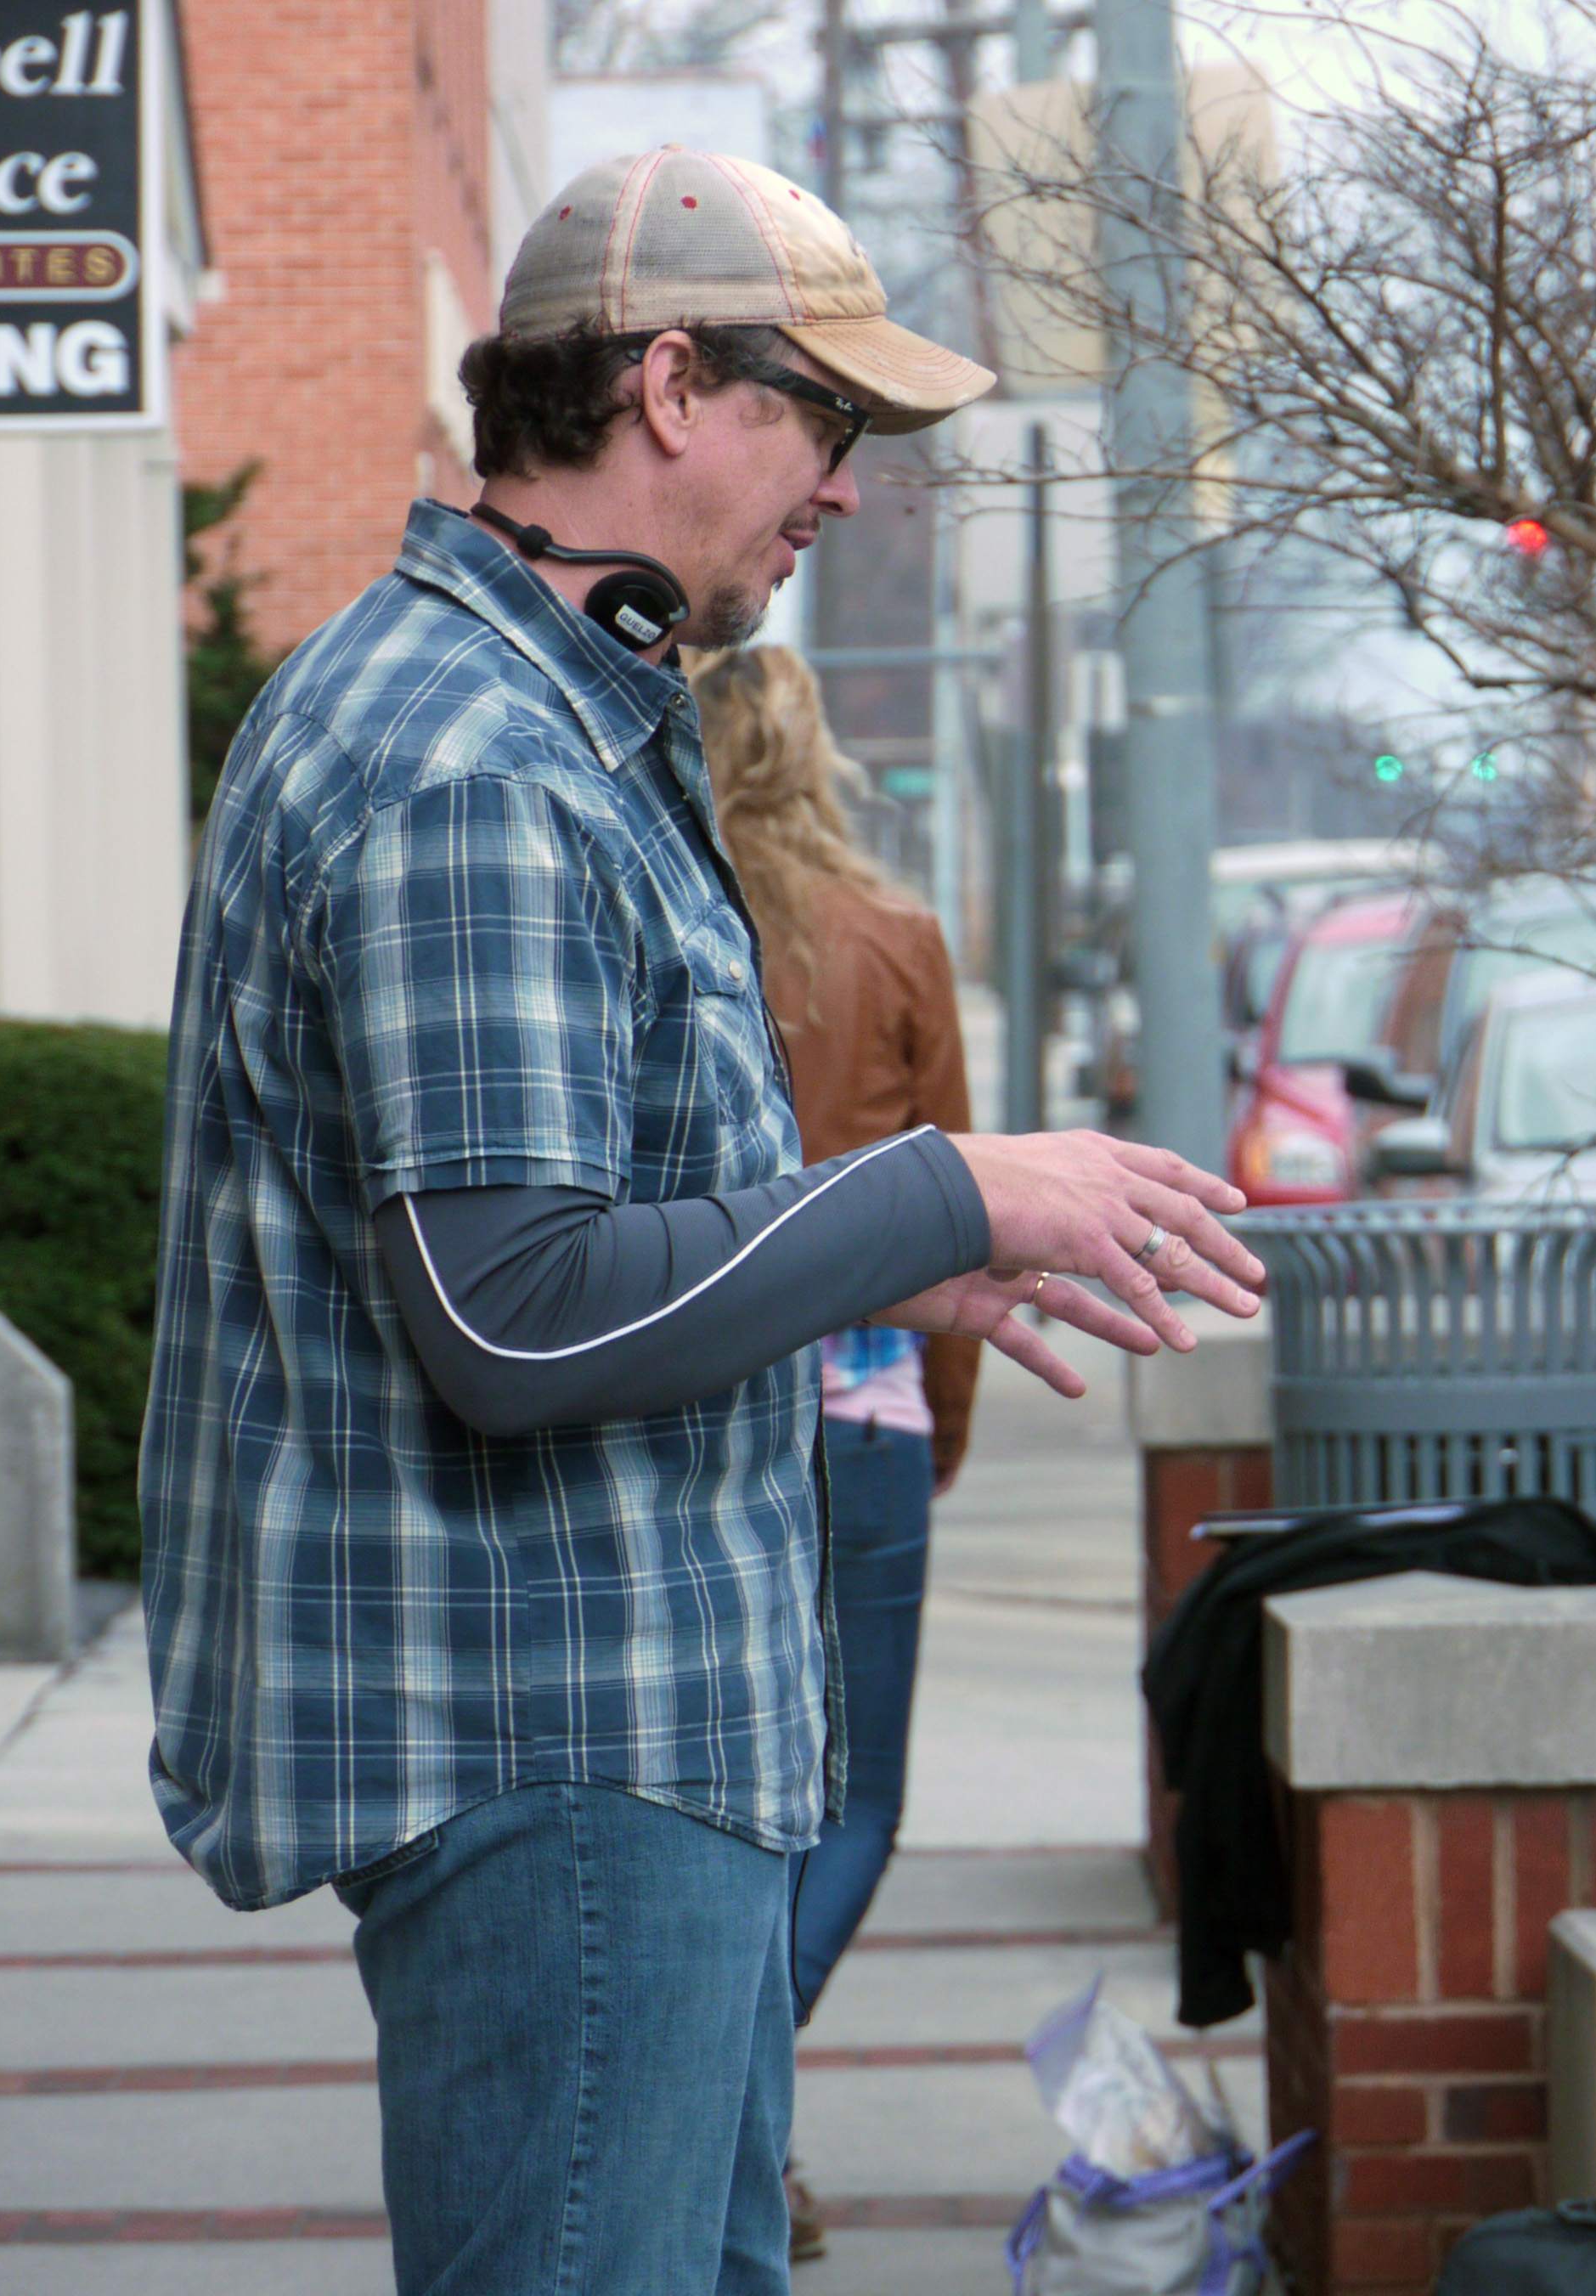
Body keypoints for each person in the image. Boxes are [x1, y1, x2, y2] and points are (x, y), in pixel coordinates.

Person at [140, 145, 1266, 2296]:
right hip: (565, 1758)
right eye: (820, 420)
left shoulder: (538, 707)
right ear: (668, 385)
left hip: (621, 1749)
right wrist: (941, 1177)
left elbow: (585, 1228)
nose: (838, 488)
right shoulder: (474, 762)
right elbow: (517, 1313)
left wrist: (886, 1256)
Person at [693, 641, 975, 2259]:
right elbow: (964, 1210)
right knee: (854, 1798)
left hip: (691, 1406)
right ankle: (740, 2108)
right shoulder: (899, 939)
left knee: (725, 1798)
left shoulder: (674, 925)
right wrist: (943, 1423)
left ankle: (731, 2114)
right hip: (862, 1402)